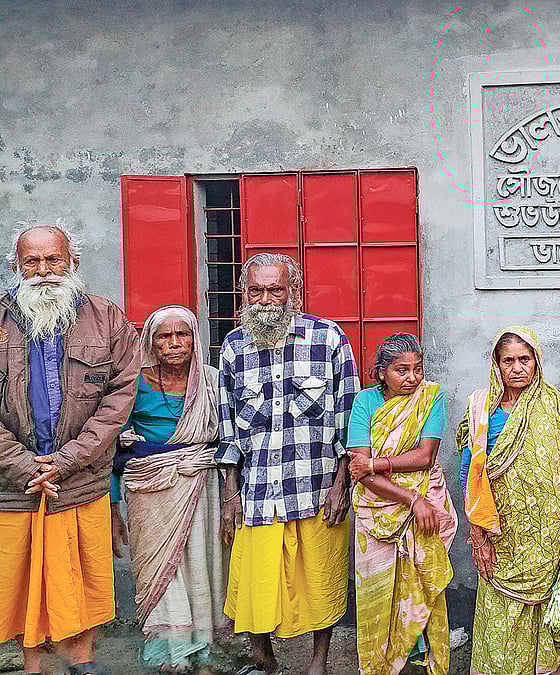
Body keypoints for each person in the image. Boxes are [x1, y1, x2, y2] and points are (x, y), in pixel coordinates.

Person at [0, 224, 140, 675]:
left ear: (72, 262)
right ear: (16, 267)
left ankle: (83, 661)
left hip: (80, 481)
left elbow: (120, 399)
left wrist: (65, 461)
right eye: (32, 263)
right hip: (12, 484)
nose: (44, 272)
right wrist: (25, 464)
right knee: (21, 581)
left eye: (53, 260)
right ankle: (32, 666)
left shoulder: (107, 318)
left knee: (85, 577)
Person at [216, 253, 359, 675]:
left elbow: (349, 419)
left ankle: (319, 662)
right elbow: (228, 426)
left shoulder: (328, 337)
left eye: (275, 289)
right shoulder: (234, 346)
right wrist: (230, 492)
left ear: (292, 292)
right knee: (255, 584)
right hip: (258, 491)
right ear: (245, 293)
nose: (266, 300)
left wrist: (342, 484)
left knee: (322, 581)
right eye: (257, 291)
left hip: (316, 489)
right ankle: (265, 661)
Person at [110, 305, 226, 673]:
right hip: (149, 487)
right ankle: (170, 655)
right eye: (165, 336)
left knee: (198, 564)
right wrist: (113, 503)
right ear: (151, 343)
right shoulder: (132, 383)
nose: (175, 343)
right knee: (160, 567)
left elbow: (229, 438)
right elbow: (113, 445)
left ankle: (201, 652)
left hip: (201, 484)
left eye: (183, 335)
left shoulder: (212, 381)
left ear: (195, 340)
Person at [456, 327, 560, 675]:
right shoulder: (481, 409)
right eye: (509, 361)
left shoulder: (555, 404)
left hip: (548, 536)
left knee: (546, 611)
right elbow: (469, 474)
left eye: (525, 359)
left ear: (537, 362)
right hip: (500, 531)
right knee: (500, 609)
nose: (518, 368)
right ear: (497, 365)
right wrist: (478, 534)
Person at [345, 334, 456, 675]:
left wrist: (377, 464)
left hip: (425, 498)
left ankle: (421, 658)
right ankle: (380, 664)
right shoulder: (364, 403)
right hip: (376, 511)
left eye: (418, 369)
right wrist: (412, 500)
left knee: (421, 585)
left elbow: (425, 456)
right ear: (381, 373)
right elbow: (357, 469)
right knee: (378, 592)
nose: (412, 378)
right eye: (401, 370)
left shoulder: (431, 397)